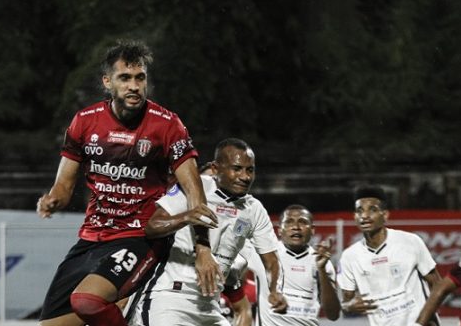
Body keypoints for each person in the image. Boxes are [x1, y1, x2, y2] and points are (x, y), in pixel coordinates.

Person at [36, 39, 219, 326]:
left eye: (140, 78)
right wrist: (52, 200)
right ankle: (123, 308)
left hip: (140, 238)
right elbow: (64, 186)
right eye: (125, 78)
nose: (134, 86)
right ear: (107, 82)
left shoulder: (168, 125)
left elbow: (195, 192)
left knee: (87, 301)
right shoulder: (84, 121)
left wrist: (203, 249)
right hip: (91, 238)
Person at [125, 137, 287, 325]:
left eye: (250, 170)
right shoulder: (195, 186)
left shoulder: (254, 209)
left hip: (210, 305)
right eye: (237, 169)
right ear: (216, 169)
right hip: (169, 298)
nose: (245, 177)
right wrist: (185, 217)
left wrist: (276, 290)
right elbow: (152, 226)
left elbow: (272, 261)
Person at [338, 185, 441, 326]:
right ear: (355, 217)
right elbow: (346, 304)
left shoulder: (410, 241)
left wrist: (424, 320)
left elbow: (437, 284)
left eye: (372, 210)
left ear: (385, 215)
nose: (365, 216)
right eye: (359, 211)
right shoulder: (349, 256)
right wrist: (348, 307)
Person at [260, 204, 341, 325]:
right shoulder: (265, 254)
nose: (296, 227)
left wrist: (322, 270)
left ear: (312, 230)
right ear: (279, 230)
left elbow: (333, 314)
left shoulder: (322, 261)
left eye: (302, 222)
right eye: (289, 222)